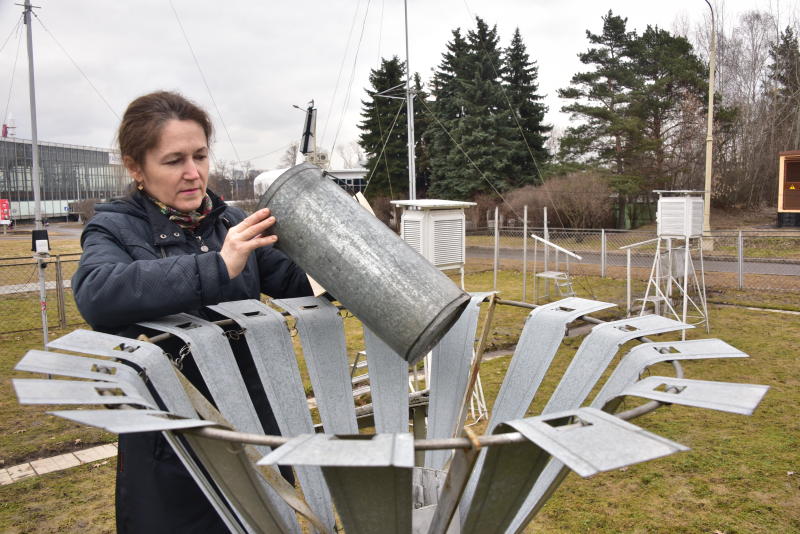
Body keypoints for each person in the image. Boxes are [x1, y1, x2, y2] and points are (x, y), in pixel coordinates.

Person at [72, 90, 313, 533]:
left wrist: (342, 254)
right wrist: (218, 266)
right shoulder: (115, 227)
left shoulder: (231, 221)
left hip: (255, 426)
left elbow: (301, 282)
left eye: (200, 156)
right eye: (173, 160)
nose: (193, 173)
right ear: (134, 167)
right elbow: (97, 294)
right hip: (170, 441)